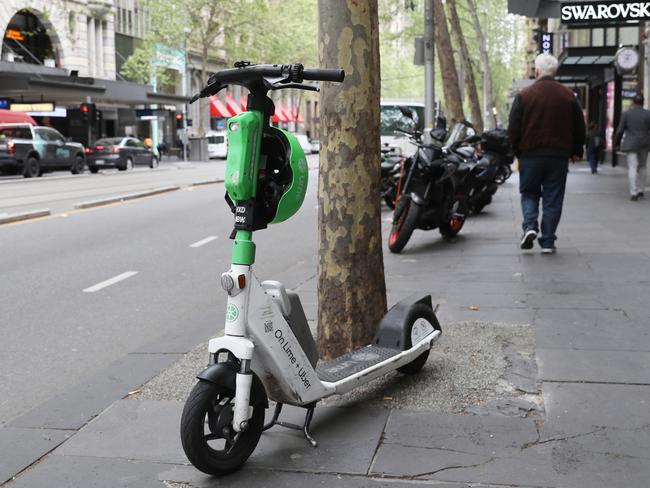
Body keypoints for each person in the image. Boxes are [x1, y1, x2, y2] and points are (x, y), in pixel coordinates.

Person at [508, 53, 586, 254]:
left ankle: (530, 226)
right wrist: (577, 150)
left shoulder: (524, 95)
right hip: (558, 156)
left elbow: (514, 127)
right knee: (553, 198)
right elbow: (579, 126)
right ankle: (548, 240)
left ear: (537, 71)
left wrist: (515, 150)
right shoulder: (568, 96)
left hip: (530, 155)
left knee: (529, 193)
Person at [614, 95, 650, 201]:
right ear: (643, 102)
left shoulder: (626, 114)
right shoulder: (648, 114)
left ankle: (633, 192)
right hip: (645, 143)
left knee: (632, 167)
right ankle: (641, 190)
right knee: (643, 166)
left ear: (633, 102)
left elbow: (620, 130)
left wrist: (616, 143)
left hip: (631, 143)